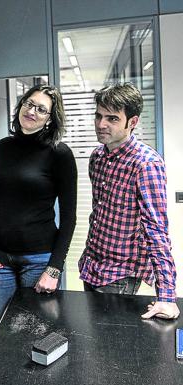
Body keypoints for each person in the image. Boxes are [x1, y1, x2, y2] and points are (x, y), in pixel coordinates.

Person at [79, 82, 179, 320]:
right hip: (91, 265)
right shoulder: (98, 157)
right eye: (99, 116)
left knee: (111, 348)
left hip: (120, 274)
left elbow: (156, 230)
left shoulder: (145, 164)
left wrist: (166, 295)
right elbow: (99, 212)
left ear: (132, 122)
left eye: (112, 119)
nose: (101, 124)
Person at [0, 84, 77, 328]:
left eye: (41, 110)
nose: (32, 111)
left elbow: (69, 218)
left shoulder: (59, 154)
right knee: (2, 336)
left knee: (36, 337)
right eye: (29, 103)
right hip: (1, 260)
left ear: (49, 120)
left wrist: (54, 268)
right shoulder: (2, 147)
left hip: (39, 261)